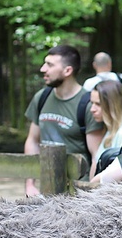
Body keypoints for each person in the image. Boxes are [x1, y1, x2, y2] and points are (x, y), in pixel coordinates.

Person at [24, 44, 105, 196]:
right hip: (47, 186)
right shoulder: (41, 98)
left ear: (68, 70)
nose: (43, 69)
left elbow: (96, 155)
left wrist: (90, 192)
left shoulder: (88, 104)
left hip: (78, 191)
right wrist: (30, 184)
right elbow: (32, 140)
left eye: (49, 65)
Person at [88, 80, 122, 179]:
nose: (92, 109)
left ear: (113, 105)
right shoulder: (111, 131)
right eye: (92, 103)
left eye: (98, 104)